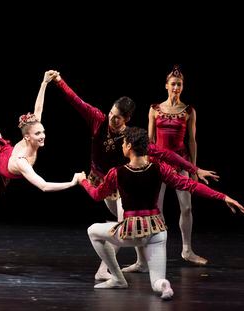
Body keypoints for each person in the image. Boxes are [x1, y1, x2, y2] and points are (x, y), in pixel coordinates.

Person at [52, 71, 219, 279]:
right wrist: (59, 82)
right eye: (111, 113)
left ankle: (105, 271)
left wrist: (194, 169)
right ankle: (140, 262)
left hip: (122, 185)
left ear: (127, 119)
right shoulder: (98, 120)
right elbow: (77, 101)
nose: (112, 118)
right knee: (121, 223)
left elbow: (167, 153)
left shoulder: (131, 136)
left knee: (123, 228)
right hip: (102, 181)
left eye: (118, 117)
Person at [0, 28, 80, 280]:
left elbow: (38, 109)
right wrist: (73, 182)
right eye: (39, 134)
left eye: (43, 132)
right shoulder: (21, 161)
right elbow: (43, 186)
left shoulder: (32, 134)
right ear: (27, 137)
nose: (43, 135)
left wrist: (44, 83)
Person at [76, 127, 243, 300]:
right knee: (157, 281)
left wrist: (83, 182)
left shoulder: (116, 173)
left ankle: (118, 278)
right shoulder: (159, 168)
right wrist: (222, 197)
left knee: (93, 230)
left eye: (124, 143)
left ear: (130, 146)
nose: (122, 147)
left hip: (132, 232)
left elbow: (97, 195)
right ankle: (164, 285)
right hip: (157, 231)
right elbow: (190, 185)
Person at [148, 65, 206, 265]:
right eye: (173, 84)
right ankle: (159, 249)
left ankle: (187, 250)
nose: (176, 87)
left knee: (187, 208)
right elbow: (150, 140)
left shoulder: (188, 111)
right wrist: (147, 165)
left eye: (179, 84)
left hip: (181, 163)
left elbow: (192, 141)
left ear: (183, 86)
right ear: (166, 86)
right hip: (158, 164)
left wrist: (194, 168)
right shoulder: (155, 109)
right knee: (158, 209)